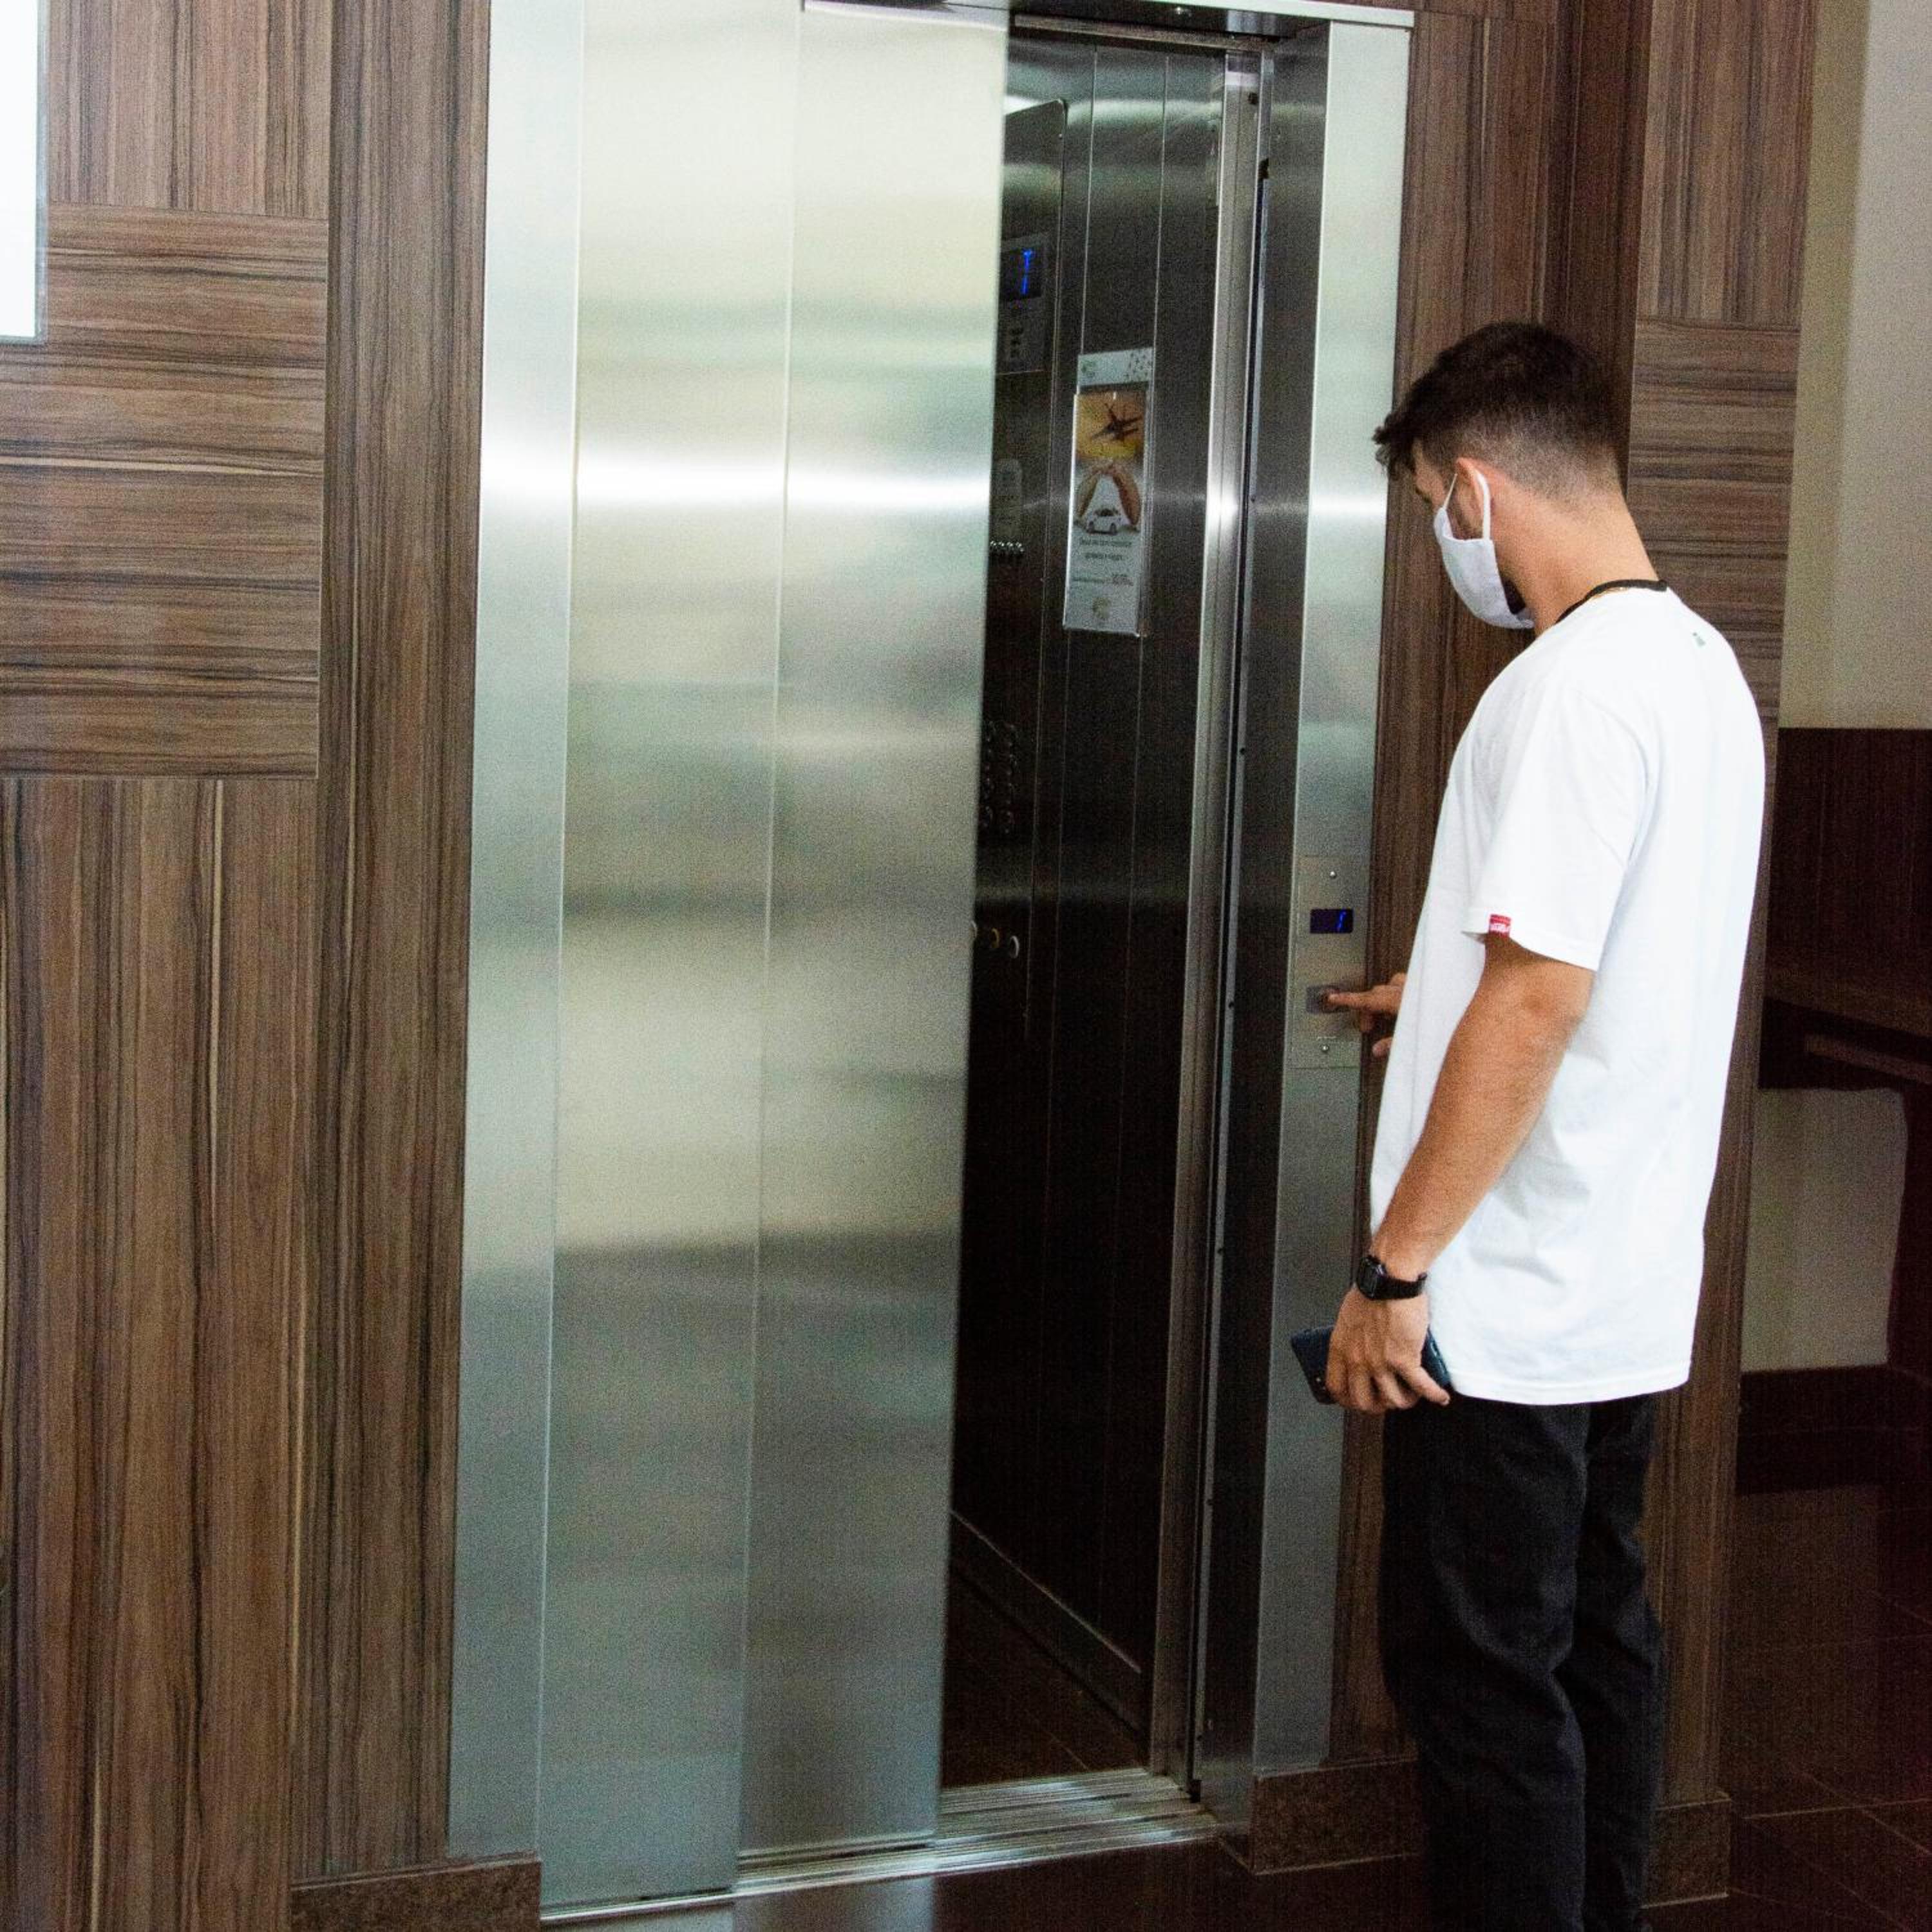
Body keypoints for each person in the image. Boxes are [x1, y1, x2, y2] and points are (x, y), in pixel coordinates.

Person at [1323, 321, 1765, 1932]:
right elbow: (1585, 964)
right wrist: (1432, 994)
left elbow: (1537, 1003)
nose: (1449, 545)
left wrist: (1394, 1272)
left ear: (1475, 489)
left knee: (1482, 1683)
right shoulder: (1699, 671)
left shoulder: (1569, 693)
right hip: (1621, 1282)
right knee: (1593, 1647)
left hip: (1502, 1308)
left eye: (1434, 514)